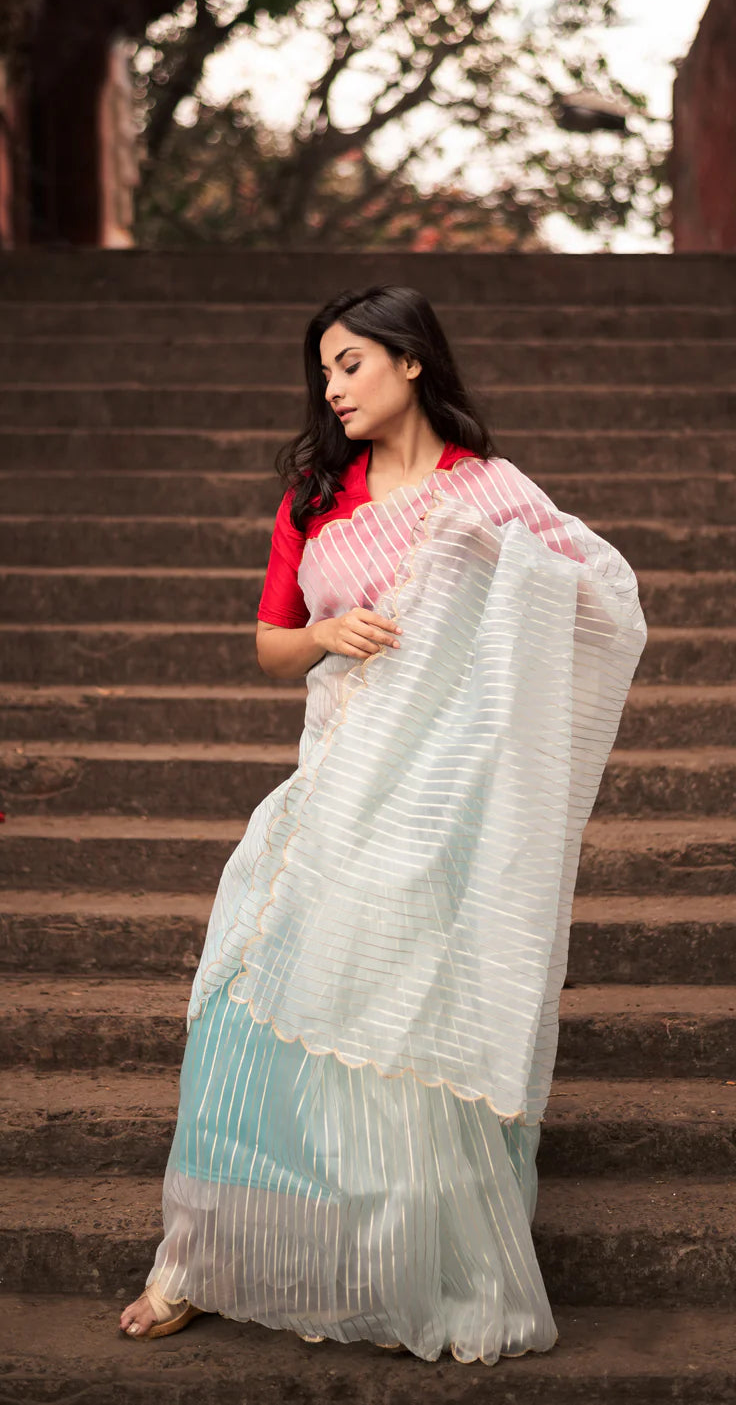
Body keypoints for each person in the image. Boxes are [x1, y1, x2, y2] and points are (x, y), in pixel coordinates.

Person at [119, 283, 647, 1364]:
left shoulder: (487, 491)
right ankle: (197, 1259)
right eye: (323, 370)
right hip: (335, 784)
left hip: (437, 804)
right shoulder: (315, 497)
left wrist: (500, 575)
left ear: (411, 362)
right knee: (245, 988)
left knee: (406, 1023)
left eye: (350, 363)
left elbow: (606, 596)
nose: (332, 387)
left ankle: (399, 1263)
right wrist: (331, 631)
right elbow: (270, 647)